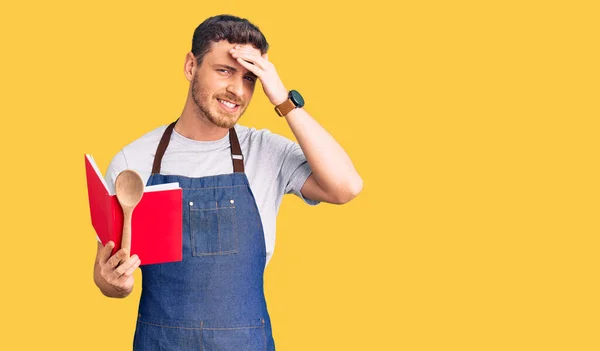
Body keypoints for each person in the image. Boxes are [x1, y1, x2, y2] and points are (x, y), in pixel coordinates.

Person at [93, 14, 362, 350]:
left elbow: (346, 186)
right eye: (224, 71)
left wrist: (283, 100)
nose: (238, 90)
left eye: (250, 78)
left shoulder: (265, 151)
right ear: (191, 66)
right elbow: (107, 272)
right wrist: (112, 282)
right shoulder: (133, 163)